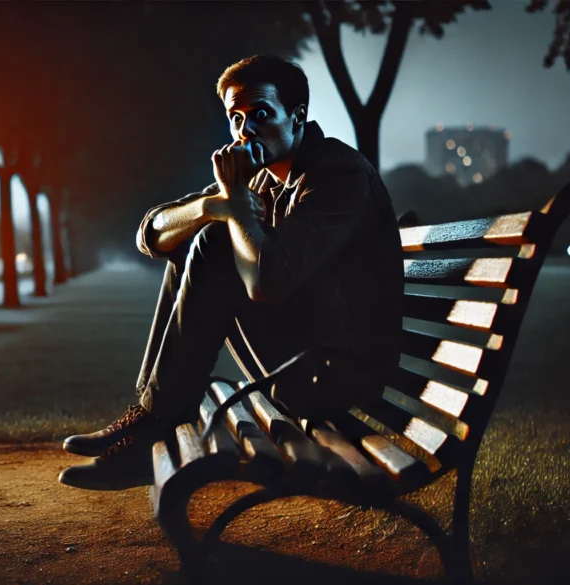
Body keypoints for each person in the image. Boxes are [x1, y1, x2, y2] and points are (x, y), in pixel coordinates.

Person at [58, 55, 403, 491]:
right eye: (235, 118)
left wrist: (234, 207)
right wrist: (212, 206)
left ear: (297, 117)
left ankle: (154, 424)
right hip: (304, 357)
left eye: (261, 114)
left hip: (340, 375)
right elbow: (152, 236)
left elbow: (265, 283)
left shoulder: (339, 174)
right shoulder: (261, 180)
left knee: (217, 242)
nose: (246, 130)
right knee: (198, 240)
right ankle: (151, 416)